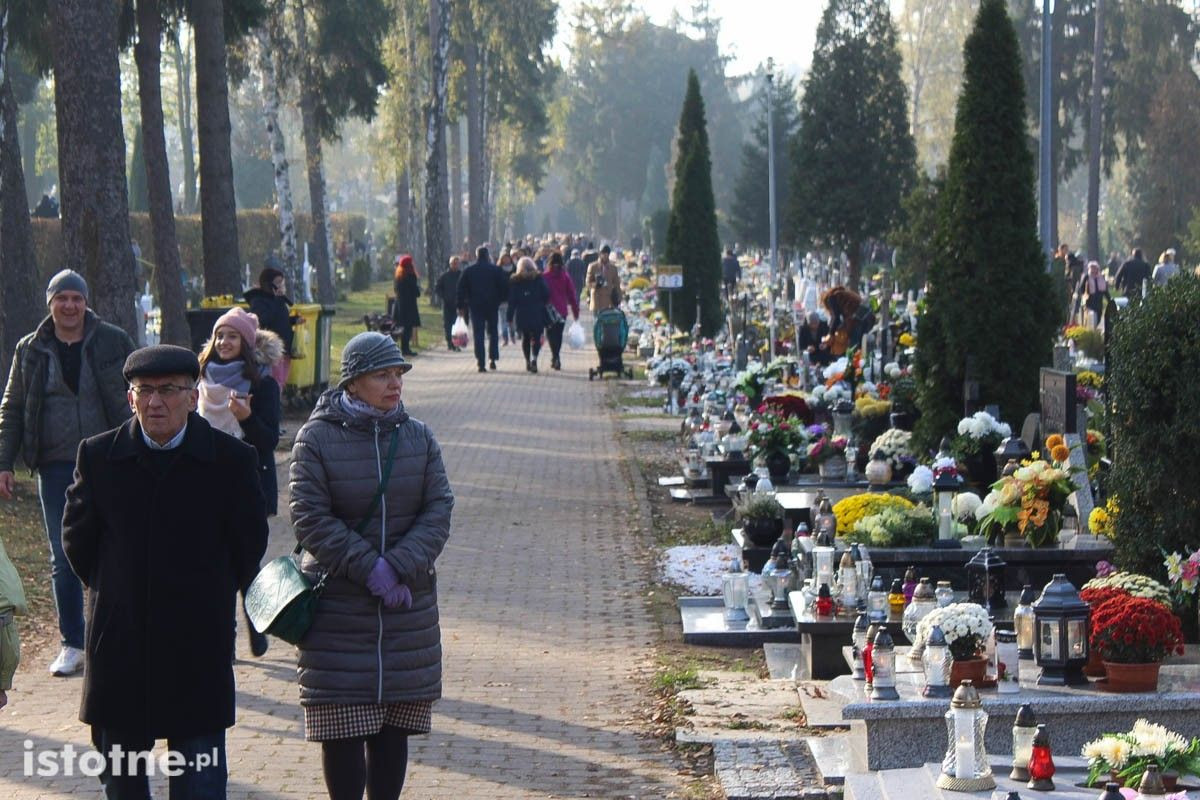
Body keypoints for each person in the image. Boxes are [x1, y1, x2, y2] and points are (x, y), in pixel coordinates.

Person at [62, 345, 268, 799]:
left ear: (193, 397)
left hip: (197, 648)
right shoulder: (98, 459)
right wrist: (118, 588)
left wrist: (205, 594)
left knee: (200, 784)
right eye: (144, 391)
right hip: (120, 646)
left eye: (169, 391)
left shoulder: (230, 461)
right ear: (130, 398)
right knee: (122, 784)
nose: (155, 402)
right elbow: (78, 544)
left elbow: (248, 545)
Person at [289, 332, 452, 800]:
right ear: (354, 382)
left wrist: (399, 566)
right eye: (383, 374)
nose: (394, 383)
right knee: (341, 731)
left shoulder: (418, 437)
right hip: (338, 611)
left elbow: (439, 507)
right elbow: (310, 516)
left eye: (398, 373)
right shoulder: (316, 439)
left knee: (391, 731)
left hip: (406, 612)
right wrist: (370, 569)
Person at [0, 270, 135, 677]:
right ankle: (73, 642)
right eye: (62, 298)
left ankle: (118, 635)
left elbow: (139, 390)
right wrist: (4, 463)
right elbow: (12, 407)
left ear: (86, 302)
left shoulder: (113, 340)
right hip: (55, 465)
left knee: (115, 547)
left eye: (77, 298)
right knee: (64, 555)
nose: (70, 306)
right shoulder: (31, 349)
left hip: (110, 458)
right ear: (50, 304)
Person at [197, 307, 283, 657]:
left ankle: (256, 623)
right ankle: (225, 639)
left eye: (232, 336)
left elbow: (269, 441)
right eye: (220, 336)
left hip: (250, 483)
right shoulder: (201, 380)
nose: (224, 342)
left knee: (246, 560)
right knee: (216, 563)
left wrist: (246, 419)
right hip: (207, 482)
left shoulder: (263, 384)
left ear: (246, 343)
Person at [245, 267, 300, 388]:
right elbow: (263, 321)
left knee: (282, 379)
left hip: (285, 348)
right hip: (271, 349)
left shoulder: (279, 301)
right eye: (277, 284)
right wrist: (277, 302)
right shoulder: (259, 300)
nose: (281, 288)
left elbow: (280, 321)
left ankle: (278, 399)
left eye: (282, 284)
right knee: (275, 380)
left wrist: (293, 320)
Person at [455, 246, 508, 372]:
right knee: (493, 332)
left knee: (478, 333)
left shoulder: (469, 270)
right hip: (492, 305)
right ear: (487, 255)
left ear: (476, 255)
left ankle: (480, 361)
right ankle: (493, 358)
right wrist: (500, 300)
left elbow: (460, 289)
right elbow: (504, 287)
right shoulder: (495, 270)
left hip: (475, 305)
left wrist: (461, 305)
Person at [506, 257, 551, 374]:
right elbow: (546, 294)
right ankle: (534, 358)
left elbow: (512, 301)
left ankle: (527, 361)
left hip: (522, 314)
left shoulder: (516, 281)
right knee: (536, 337)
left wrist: (509, 317)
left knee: (525, 338)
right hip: (537, 312)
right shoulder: (538, 278)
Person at [542, 251, 580, 371]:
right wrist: (575, 312)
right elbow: (572, 295)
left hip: (548, 311)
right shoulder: (565, 276)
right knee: (558, 335)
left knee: (550, 335)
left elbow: (540, 294)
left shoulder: (545, 276)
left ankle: (555, 356)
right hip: (562, 311)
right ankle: (556, 357)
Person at [820, 286, 875, 357]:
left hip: (860, 318)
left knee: (854, 347)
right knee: (862, 345)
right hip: (867, 315)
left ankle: (854, 364)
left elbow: (837, 318)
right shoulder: (842, 296)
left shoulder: (831, 298)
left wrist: (831, 333)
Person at [392, 255, 421, 357]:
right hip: (409, 307)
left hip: (399, 306)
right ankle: (405, 349)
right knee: (407, 329)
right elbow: (416, 292)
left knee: (402, 328)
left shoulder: (398, 277)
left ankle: (404, 348)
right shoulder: (410, 276)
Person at [434, 256, 463, 351]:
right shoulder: (445, 276)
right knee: (448, 325)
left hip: (458, 304)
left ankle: (456, 344)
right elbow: (437, 288)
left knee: (457, 325)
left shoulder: (461, 275)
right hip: (447, 304)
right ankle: (449, 343)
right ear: (450, 264)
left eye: (457, 263)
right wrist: (444, 296)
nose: (455, 265)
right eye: (453, 263)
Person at [585, 245, 622, 313]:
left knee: (607, 321)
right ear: (600, 254)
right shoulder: (593, 266)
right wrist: (596, 284)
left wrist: (619, 299)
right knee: (598, 322)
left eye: (607, 254)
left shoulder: (613, 268)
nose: (605, 256)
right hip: (597, 300)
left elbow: (617, 284)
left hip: (609, 301)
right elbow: (588, 283)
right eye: (603, 254)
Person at [1076, 261, 1109, 328]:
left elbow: (1105, 290)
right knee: (1092, 317)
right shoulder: (1086, 277)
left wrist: (1109, 299)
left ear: (1098, 269)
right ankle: (1091, 330)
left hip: (1099, 301)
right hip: (1090, 301)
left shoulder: (1101, 277)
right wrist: (1084, 296)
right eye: (1092, 268)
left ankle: (1095, 328)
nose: (1093, 269)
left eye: (1095, 268)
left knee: (1099, 317)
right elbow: (1081, 288)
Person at [496, 250, 517, 346]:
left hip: (513, 298)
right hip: (501, 299)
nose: (506, 260)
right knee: (503, 320)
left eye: (507, 258)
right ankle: (505, 338)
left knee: (512, 319)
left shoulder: (515, 269)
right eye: (504, 258)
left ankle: (512, 335)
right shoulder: (498, 270)